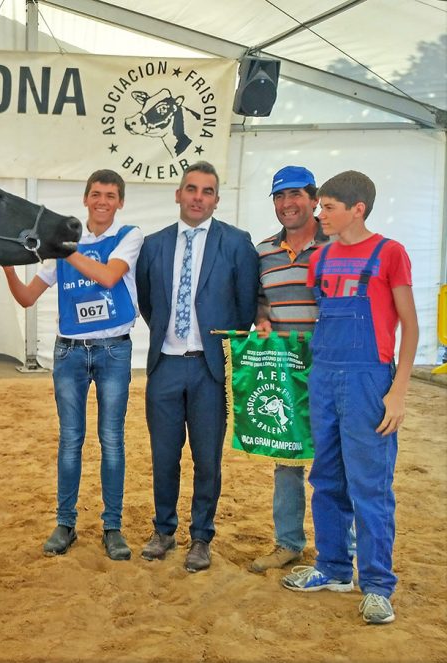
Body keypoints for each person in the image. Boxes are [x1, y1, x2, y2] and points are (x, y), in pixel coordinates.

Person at [281, 170, 418, 626]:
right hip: (325, 375)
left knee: (371, 487)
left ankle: (378, 585)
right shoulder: (321, 258)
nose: (320, 213)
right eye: (320, 206)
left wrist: (397, 392)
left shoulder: (389, 253)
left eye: (329, 207)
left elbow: (410, 326)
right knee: (326, 477)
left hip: (368, 380)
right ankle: (335, 569)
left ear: (357, 209)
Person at [2, 169, 144, 560]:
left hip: (113, 350)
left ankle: (112, 527)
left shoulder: (128, 237)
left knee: (112, 440)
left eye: (111, 195)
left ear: (120, 202)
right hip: (69, 352)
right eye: (96, 194)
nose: (102, 201)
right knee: (71, 440)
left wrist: (66, 250)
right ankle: (65, 523)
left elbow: (109, 277)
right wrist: (7, 265)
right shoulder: (64, 247)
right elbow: (29, 297)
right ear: (85, 199)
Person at [134, 161, 258, 573]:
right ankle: (163, 531)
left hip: (211, 370)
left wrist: (215, 350)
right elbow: (148, 303)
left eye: (207, 191)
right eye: (191, 189)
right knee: (164, 456)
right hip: (165, 367)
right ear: (178, 194)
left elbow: (244, 309)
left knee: (208, 459)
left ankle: (201, 537)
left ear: (217, 200)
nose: (197, 197)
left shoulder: (237, 243)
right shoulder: (154, 244)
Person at [251, 165, 329, 573]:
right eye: (280, 197)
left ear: (314, 199)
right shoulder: (264, 251)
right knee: (287, 459)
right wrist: (261, 316)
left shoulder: (337, 245)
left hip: (333, 368)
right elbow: (259, 298)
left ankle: (339, 548)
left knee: (335, 460)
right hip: (287, 367)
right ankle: (289, 542)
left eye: (295, 195)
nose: (287, 204)